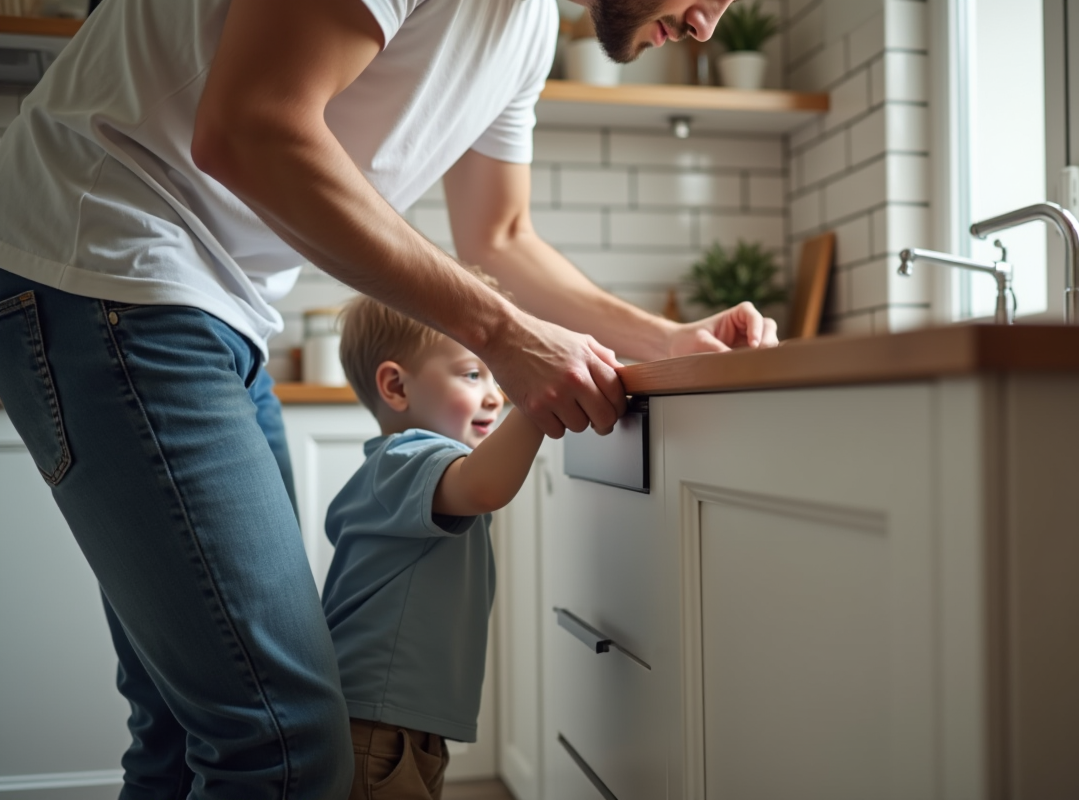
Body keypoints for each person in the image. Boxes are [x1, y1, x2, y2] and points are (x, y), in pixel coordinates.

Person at [0, 0, 774, 796]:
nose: (708, 25)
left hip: (213, 310)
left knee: (180, 725)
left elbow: (501, 238)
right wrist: (507, 341)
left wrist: (668, 342)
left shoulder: (531, 26)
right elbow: (252, 126)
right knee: (283, 745)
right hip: (106, 264)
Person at [323, 286, 542, 800]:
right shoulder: (408, 457)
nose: (496, 393)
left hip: (394, 722)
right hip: (377, 725)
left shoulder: (409, 466)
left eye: (499, 375)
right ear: (396, 386)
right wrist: (540, 396)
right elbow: (486, 486)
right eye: (473, 373)